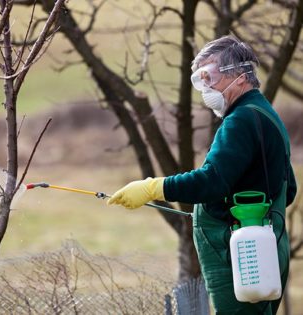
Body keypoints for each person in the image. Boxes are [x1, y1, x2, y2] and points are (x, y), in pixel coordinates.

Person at [107, 35, 297, 315]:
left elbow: (211, 182)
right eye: (200, 80)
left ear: (241, 77)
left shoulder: (240, 121)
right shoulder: (265, 114)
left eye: (210, 77)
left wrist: (153, 188)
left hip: (241, 259)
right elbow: (287, 189)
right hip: (266, 253)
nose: (205, 87)